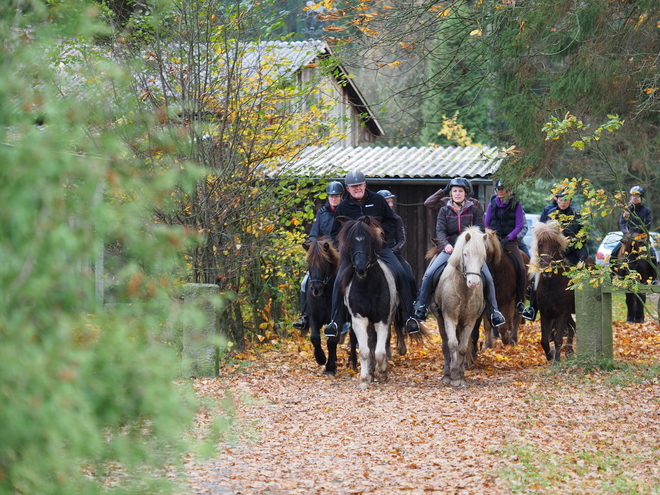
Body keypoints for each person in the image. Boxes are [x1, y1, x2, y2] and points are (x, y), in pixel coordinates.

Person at [323, 171, 421, 338]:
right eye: (354, 187)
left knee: (404, 274)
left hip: (379, 249)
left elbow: (392, 220)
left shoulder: (378, 200)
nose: (357, 188)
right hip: (353, 253)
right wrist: (346, 243)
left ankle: (409, 317)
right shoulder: (343, 207)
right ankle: (335, 321)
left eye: (360, 185)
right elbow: (334, 233)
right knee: (338, 280)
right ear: (348, 188)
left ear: (365, 185)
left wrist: (380, 229)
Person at [412, 177, 506, 328]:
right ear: (450, 193)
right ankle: (421, 306)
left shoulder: (474, 208)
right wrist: (445, 245)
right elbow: (440, 230)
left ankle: (494, 311)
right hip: (450, 248)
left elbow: (480, 229)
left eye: (460, 191)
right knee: (429, 273)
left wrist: (476, 243)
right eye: (454, 191)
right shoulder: (444, 209)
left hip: (470, 250)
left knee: (488, 277)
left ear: (466, 193)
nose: (457, 194)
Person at [522, 191, 589, 321]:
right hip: (551, 252)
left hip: (573, 251)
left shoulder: (577, 215)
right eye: (560, 199)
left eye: (566, 199)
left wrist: (568, 249)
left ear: (570, 201)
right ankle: (532, 308)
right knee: (536, 272)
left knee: (583, 264)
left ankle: (583, 300)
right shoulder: (549, 213)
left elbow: (583, 236)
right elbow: (540, 233)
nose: (563, 202)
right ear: (556, 200)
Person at [293, 181, 344, 332]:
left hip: (341, 256)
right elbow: (313, 235)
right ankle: (304, 317)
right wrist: (314, 247)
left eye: (336, 196)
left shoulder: (346, 212)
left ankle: (348, 317)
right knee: (304, 283)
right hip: (323, 257)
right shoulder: (321, 214)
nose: (333, 199)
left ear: (341, 197)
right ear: (328, 197)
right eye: (331, 196)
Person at [485, 180, 527, 313]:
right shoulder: (492, 204)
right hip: (493, 241)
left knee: (521, 268)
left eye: (503, 188)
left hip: (510, 241)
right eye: (498, 189)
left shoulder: (516, 204)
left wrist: (508, 238)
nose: (500, 191)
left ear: (509, 190)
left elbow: (519, 225)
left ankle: (520, 301)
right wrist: (491, 237)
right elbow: (486, 224)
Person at [377, 189, 417, 300]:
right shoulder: (373, 220)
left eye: (391, 202)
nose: (390, 205)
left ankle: (413, 305)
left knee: (408, 277)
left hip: (392, 253)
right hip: (375, 254)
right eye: (387, 202)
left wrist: (394, 250)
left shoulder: (396, 219)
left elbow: (402, 240)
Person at [609, 185, 658, 270]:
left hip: (641, 237)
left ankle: (654, 276)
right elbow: (622, 223)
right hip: (628, 237)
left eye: (637, 196)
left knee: (652, 254)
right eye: (632, 196)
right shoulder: (626, 210)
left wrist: (638, 231)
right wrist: (626, 233)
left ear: (641, 198)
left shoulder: (647, 211)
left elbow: (648, 224)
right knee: (614, 252)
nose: (634, 198)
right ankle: (612, 273)